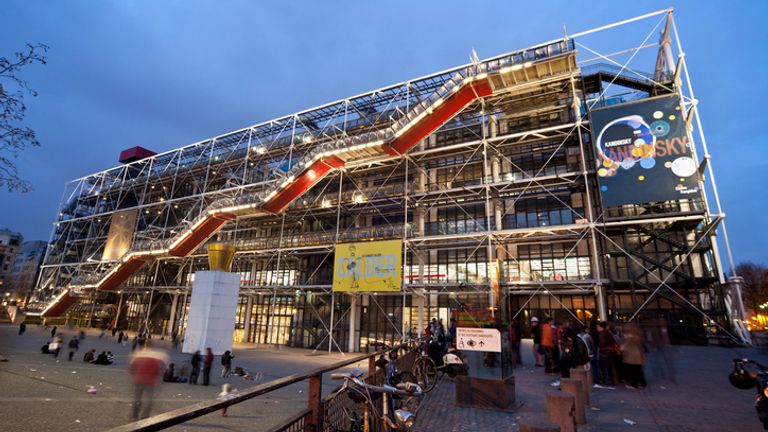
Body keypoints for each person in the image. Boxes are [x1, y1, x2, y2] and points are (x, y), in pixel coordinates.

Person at [129, 344, 169, 420]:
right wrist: (158, 378)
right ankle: (145, 416)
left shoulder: (138, 355)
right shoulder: (159, 356)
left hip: (139, 379)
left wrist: (134, 375)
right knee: (149, 399)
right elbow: (162, 369)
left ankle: (134, 415)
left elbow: (132, 367)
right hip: (151, 381)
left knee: (137, 398)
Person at [621, 323, 647, 389]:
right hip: (635, 354)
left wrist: (622, 348)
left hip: (631, 355)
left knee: (632, 369)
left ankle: (634, 384)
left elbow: (626, 345)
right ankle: (641, 383)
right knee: (637, 369)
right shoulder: (636, 334)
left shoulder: (630, 336)